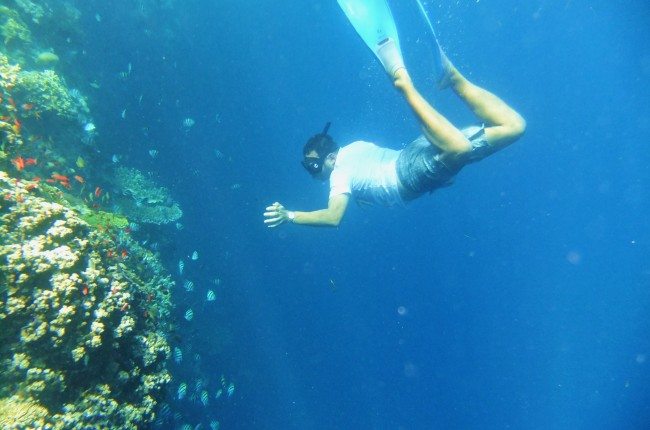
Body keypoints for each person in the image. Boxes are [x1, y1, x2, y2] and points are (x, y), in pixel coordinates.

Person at [264, 4, 525, 228]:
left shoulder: (339, 175)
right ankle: (454, 79)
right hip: (415, 157)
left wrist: (290, 215)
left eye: (313, 166)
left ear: (331, 158)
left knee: (460, 149)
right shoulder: (354, 149)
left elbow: (334, 218)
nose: (312, 173)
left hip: (409, 173)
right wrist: (438, 175)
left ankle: (403, 85)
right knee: (514, 126)